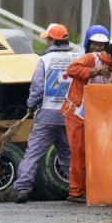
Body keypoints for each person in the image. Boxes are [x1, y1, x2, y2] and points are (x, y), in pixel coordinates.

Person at [61, 33, 112, 204]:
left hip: (94, 118)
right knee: (79, 153)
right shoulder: (92, 58)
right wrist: (95, 71)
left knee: (93, 154)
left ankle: (89, 189)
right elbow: (71, 70)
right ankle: (76, 192)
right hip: (76, 114)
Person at [14, 24, 77, 203]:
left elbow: (37, 88)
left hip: (46, 117)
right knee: (68, 155)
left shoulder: (44, 60)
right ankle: (79, 189)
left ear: (52, 40)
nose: (46, 43)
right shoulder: (76, 58)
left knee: (33, 154)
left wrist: (31, 106)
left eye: (47, 39)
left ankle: (23, 189)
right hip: (68, 116)